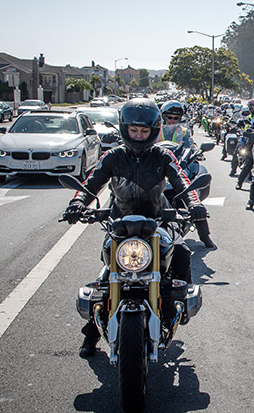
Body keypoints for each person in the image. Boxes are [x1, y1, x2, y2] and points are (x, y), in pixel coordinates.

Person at [62, 98, 208, 358]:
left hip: (157, 220)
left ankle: (177, 306)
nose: (139, 136)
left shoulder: (163, 156)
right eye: (134, 131)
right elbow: (91, 183)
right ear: (124, 129)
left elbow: (181, 179)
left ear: (153, 131)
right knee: (108, 275)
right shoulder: (113, 157)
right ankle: (92, 332)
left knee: (182, 252)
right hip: (121, 225)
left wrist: (194, 203)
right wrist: (77, 203)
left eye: (144, 131)